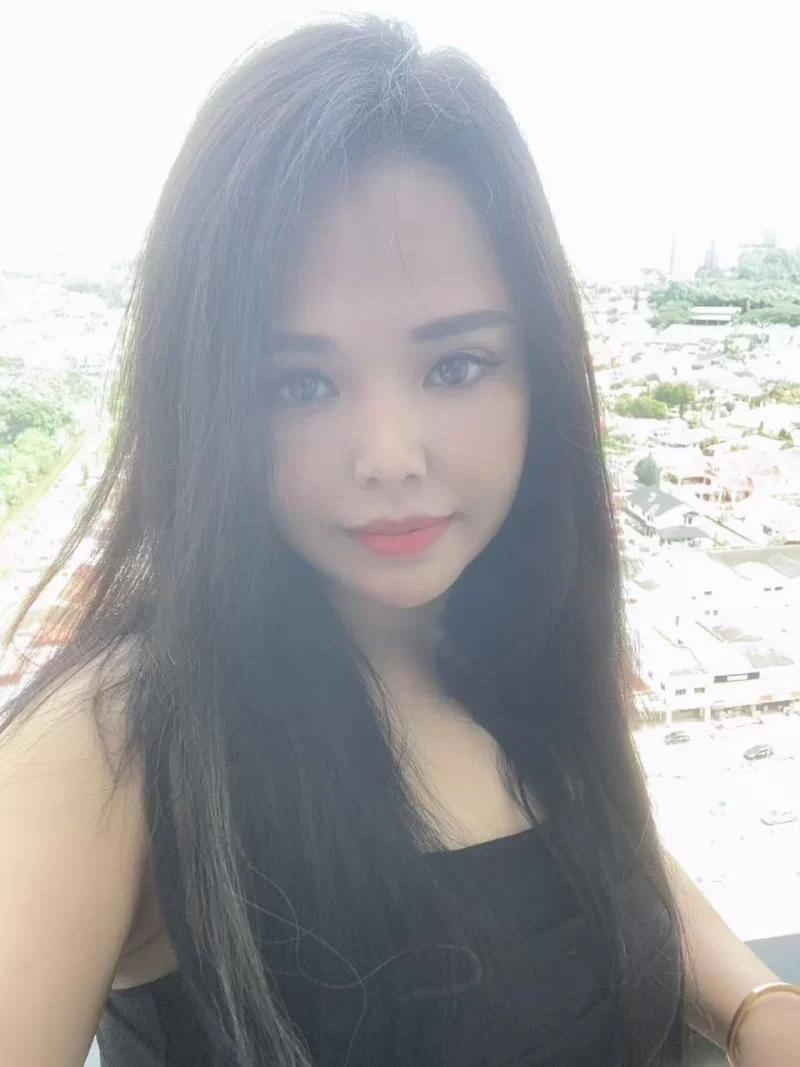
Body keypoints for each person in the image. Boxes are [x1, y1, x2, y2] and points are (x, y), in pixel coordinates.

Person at [1, 16, 798, 1067]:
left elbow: (606, 856)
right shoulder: (115, 742)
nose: (387, 455)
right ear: (208, 404)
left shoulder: (517, 632)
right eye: (299, 383)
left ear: (538, 373)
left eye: (455, 366)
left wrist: (752, 1003)